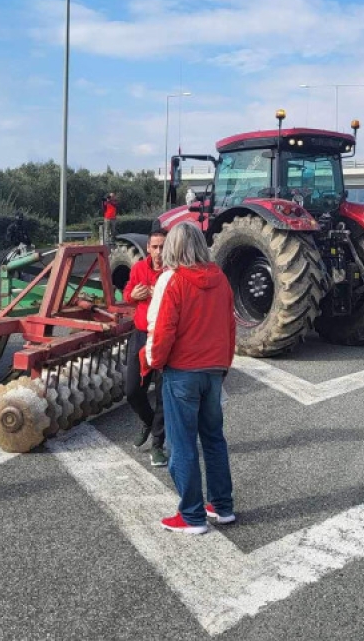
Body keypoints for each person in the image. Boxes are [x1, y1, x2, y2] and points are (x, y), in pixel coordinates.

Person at [148, 222, 237, 535]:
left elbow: (163, 329)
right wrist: (223, 366)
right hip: (214, 372)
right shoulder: (221, 279)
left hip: (182, 372)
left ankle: (191, 516)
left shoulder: (174, 281)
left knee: (182, 444)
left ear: (173, 247)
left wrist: (155, 362)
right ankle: (221, 506)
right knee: (214, 439)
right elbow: (230, 327)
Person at [123, 228, 168, 465]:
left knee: (163, 394)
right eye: (155, 247)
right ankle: (149, 422)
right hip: (141, 335)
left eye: (163, 247)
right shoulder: (139, 268)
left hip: (166, 337)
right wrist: (134, 295)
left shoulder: (175, 272)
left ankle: (158, 445)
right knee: (132, 391)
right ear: (148, 248)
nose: (159, 252)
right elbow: (128, 293)